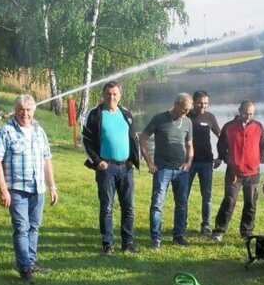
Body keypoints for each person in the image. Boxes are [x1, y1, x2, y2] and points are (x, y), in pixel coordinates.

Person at [0, 94, 58, 284]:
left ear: (33, 111)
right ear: (15, 111)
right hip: (17, 189)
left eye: (28, 110)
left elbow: (46, 160)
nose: (25, 114)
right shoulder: (6, 132)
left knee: (34, 227)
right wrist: (3, 190)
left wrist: (52, 186)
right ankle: (25, 268)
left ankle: (31, 261)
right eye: (21, 110)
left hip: (38, 188)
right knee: (21, 228)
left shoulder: (39, 131)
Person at [82, 81, 141, 254]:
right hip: (106, 169)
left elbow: (134, 138)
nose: (111, 97)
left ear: (120, 95)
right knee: (107, 207)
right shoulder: (95, 114)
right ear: (103, 95)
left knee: (129, 207)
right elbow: (86, 141)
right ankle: (108, 243)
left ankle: (128, 242)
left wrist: (133, 159)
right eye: (108, 94)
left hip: (126, 168)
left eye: (115, 94)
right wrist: (97, 161)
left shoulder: (126, 114)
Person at [139, 93, 194, 249]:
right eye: (184, 109)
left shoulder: (188, 122)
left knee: (182, 204)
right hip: (162, 170)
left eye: (189, 110)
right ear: (176, 105)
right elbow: (142, 139)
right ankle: (156, 238)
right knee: (157, 204)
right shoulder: (159, 119)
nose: (186, 112)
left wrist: (189, 163)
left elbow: (190, 145)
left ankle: (178, 236)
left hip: (181, 171)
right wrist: (149, 162)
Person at [210, 100, 264, 243]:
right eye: (245, 113)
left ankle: (247, 231)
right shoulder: (229, 127)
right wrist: (226, 158)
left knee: (251, 203)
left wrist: (259, 159)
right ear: (239, 110)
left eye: (251, 114)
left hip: (253, 173)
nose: (248, 116)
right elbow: (221, 144)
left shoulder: (258, 127)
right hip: (234, 172)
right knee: (229, 201)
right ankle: (219, 231)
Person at [186, 90, 221, 236]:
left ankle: (206, 225)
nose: (203, 106)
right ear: (193, 102)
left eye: (206, 103)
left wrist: (220, 157)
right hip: (188, 163)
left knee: (207, 196)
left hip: (206, 162)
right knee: (184, 195)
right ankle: (183, 224)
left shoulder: (210, 117)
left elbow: (221, 136)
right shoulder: (186, 116)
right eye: (200, 103)